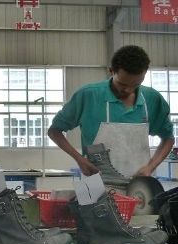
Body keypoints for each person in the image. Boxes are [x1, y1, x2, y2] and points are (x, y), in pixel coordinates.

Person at [48, 45, 174, 177]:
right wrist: (79, 159)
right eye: (123, 84)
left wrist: (151, 167)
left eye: (136, 84)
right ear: (111, 71)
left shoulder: (152, 99)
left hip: (139, 187)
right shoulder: (88, 96)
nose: (129, 90)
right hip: (97, 182)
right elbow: (54, 131)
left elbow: (168, 138)